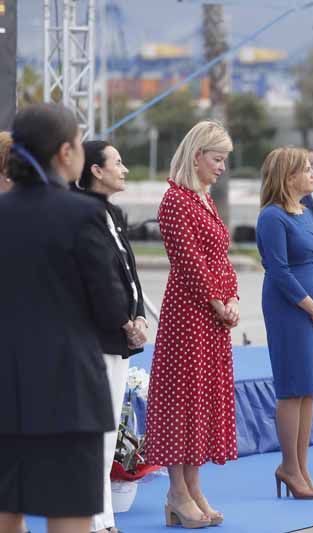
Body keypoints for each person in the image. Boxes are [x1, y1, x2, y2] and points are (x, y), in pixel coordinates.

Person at [0, 103, 134, 533]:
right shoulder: (83, 215)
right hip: (68, 387)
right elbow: (110, 306)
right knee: (68, 512)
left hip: (6, 383)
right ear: (65, 153)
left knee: (6, 510)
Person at [145, 121, 239, 528]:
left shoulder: (205, 199)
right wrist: (219, 303)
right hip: (189, 315)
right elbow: (190, 264)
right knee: (183, 402)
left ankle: (194, 486)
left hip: (213, 317)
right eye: (217, 159)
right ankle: (177, 492)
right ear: (197, 155)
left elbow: (221, 258)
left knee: (201, 401)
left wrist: (233, 297)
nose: (221, 168)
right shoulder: (175, 200)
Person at [77, 140, 149, 533]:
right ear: (95, 170)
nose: (124, 169)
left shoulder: (113, 214)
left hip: (121, 336)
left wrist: (137, 315)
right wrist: (122, 320)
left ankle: (101, 516)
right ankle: (95, 518)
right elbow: (95, 279)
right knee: (97, 431)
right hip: (98, 338)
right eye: (117, 163)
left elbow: (128, 274)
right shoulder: (81, 213)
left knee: (108, 429)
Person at [257, 147, 313, 500]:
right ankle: (289, 466)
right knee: (292, 387)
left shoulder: (305, 212)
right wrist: (311, 308)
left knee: (309, 388)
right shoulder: (272, 217)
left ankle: (300, 467)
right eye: (307, 170)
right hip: (290, 310)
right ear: (288, 177)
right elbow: (279, 271)